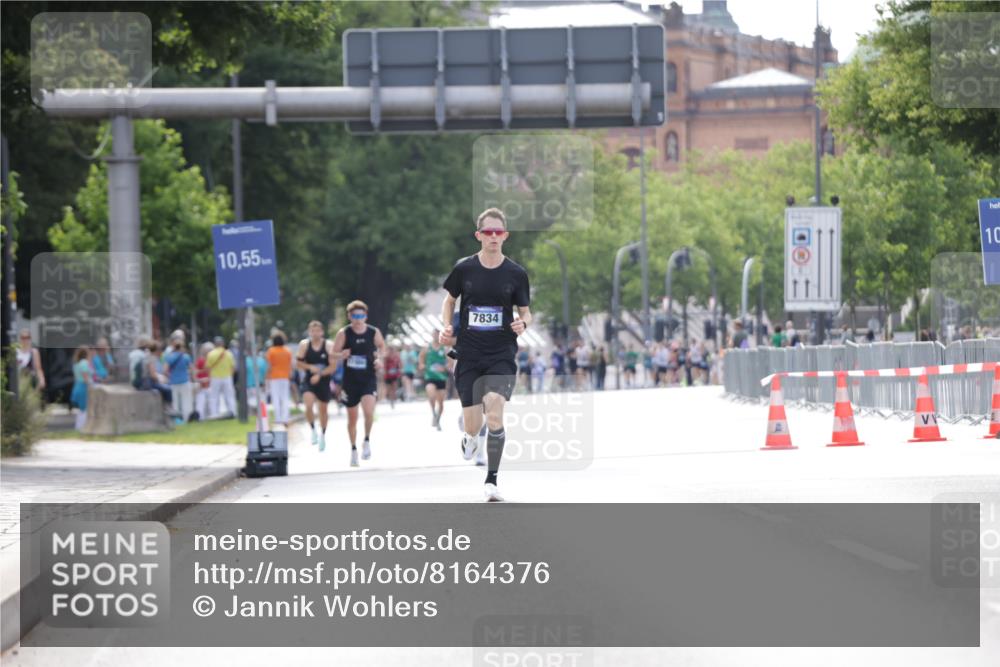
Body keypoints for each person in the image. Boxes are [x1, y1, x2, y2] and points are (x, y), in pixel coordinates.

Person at [440, 207, 531, 502]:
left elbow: (526, 312)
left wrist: (523, 323)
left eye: (498, 232)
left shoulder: (516, 274)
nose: (493, 237)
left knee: (494, 412)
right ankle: (468, 437)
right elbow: (449, 300)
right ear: (479, 235)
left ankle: (491, 480)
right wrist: (445, 326)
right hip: (468, 353)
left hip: (501, 353)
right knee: (474, 425)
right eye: (488, 232)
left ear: (505, 236)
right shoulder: (464, 269)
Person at [332, 301, 386, 466]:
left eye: (361, 316)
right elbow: (333, 353)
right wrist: (342, 354)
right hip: (350, 381)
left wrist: (379, 359)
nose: (358, 319)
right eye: (355, 316)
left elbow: (382, 347)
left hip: (368, 378)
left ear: (366, 316)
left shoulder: (373, 332)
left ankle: (367, 440)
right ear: (349, 316)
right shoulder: (344, 333)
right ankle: (353, 449)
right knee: (352, 418)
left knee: (369, 412)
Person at [297, 320, 336, 450]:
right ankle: (313, 429)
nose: (315, 334)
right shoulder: (304, 345)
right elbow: (298, 364)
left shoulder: (328, 345)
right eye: (312, 331)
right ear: (309, 332)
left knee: (323, 410)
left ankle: (323, 435)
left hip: (323, 381)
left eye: (318, 331)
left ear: (322, 332)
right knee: (308, 404)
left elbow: (333, 367)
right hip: (309, 380)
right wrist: (310, 367)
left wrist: (319, 374)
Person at [420, 330, 450, 431]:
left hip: (441, 378)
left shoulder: (445, 348)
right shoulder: (426, 348)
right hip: (430, 376)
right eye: (434, 335)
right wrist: (422, 365)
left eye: (437, 334)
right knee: (431, 395)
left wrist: (446, 367)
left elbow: (452, 360)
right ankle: (433, 413)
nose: (436, 336)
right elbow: (421, 359)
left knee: (441, 403)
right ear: (432, 336)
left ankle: (438, 419)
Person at [164, 334, 194, 422]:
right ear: (182, 346)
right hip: (185, 381)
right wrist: (192, 377)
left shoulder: (169, 357)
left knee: (176, 402)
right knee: (186, 401)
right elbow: (192, 369)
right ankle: (186, 418)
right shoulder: (186, 356)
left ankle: (177, 419)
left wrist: (170, 376)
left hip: (174, 382)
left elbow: (165, 370)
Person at [266, 333, 293, 425]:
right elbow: (290, 365)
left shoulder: (271, 351)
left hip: (274, 377)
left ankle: (278, 418)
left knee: (276, 398)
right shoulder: (287, 351)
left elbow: (269, 365)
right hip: (285, 377)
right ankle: (285, 418)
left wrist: (266, 376)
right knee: (285, 397)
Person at [206, 336, 236, 417]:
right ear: (222, 344)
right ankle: (232, 412)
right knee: (229, 396)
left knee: (214, 397)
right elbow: (233, 367)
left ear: (215, 344)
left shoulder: (211, 354)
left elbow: (208, 367)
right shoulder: (229, 353)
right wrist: (230, 376)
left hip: (215, 377)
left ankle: (214, 413)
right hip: (227, 377)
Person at [16, 329, 46, 393]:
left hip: (29, 383)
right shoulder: (16, 351)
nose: (25, 340)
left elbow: (38, 368)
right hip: (17, 382)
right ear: (20, 339)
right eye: (23, 338)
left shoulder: (34, 352)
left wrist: (42, 379)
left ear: (30, 339)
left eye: (27, 337)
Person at [70, 346, 93, 430]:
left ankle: (79, 426)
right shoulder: (84, 362)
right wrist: (91, 385)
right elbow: (85, 376)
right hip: (83, 387)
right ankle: (82, 427)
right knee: (84, 409)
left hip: (77, 386)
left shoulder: (76, 364)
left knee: (81, 409)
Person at [194, 342, 213, 419]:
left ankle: (209, 416)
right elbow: (195, 372)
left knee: (209, 402)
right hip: (202, 384)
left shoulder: (210, 360)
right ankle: (201, 416)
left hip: (209, 383)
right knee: (201, 402)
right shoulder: (200, 361)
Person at [382, 343, 402, 409]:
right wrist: (384, 372)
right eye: (390, 349)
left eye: (392, 350)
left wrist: (400, 370)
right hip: (387, 375)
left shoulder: (397, 356)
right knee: (388, 388)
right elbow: (383, 364)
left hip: (395, 374)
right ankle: (390, 399)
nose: (391, 351)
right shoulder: (386, 356)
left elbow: (400, 364)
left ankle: (393, 400)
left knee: (394, 387)